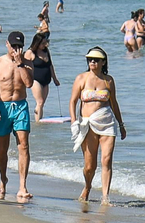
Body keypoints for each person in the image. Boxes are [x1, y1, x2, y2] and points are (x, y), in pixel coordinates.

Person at [69, 46, 126, 205]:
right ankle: (87, 186)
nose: (92, 62)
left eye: (96, 60)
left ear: (103, 62)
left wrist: (121, 125)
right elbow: (73, 102)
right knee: (89, 165)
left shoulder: (108, 80)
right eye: (90, 59)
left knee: (106, 160)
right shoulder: (81, 78)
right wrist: (74, 122)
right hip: (88, 125)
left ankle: (105, 197)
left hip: (107, 123)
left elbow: (114, 103)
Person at [0, 31, 33, 202]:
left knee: (24, 145)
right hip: (1, 107)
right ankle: (3, 178)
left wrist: (20, 64)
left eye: (19, 46)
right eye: (13, 46)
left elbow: (28, 84)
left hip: (20, 106)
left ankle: (22, 186)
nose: (16, 49)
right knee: (2, 147)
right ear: (7, 44)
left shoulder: (27, 64)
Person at [23, 30, 58, 121]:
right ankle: (38, 123)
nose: (45, 45)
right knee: (40, 101)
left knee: (42, 104)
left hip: (46, 80)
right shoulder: (30, 53)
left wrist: (55, 79)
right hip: (35, 80)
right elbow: (23, 67)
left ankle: (39, 123)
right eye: (43, 43)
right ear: (37, 43)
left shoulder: (46, 51)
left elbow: (50, 65)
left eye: (46, 43)